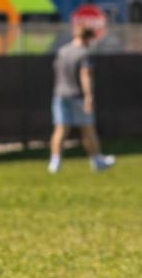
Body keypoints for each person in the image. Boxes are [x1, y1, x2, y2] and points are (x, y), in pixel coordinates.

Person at [48, 24, 115, 173]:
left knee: (60, 129)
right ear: (88, 38)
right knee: (88, 130)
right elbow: (85, 75)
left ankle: (55, 161)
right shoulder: (84, 53)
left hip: (60, 94)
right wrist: (89, 96)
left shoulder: (62, 51)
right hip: (77, 95)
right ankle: (97, 160)